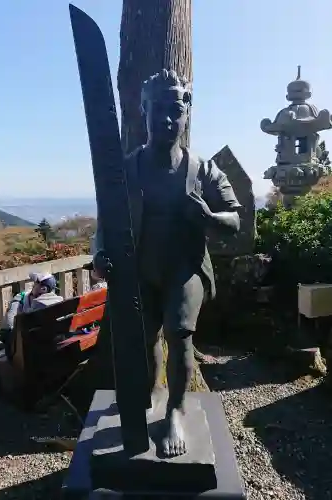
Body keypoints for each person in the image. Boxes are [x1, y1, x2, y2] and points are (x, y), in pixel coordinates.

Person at [92, 69, 241, 457]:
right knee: (143, 337)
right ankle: (149, 393)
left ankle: (175, 408)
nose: (166, 119)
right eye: (157, 110)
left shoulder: (202, 170)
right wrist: (99, 252)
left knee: (178, 333)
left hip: (185, 266)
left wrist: (208, 217)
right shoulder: (127, 167)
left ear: (186, 114)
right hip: (140, 266)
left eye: (174, 110)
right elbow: (107, 216)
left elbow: (234, 218)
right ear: (144, 112)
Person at [0, 271, 63, 355]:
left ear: (43, 289)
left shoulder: (21, 298)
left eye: (36, 283)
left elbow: (8, 325)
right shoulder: (58, 300)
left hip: (31, 348)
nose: (33, 285)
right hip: (54, 343)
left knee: (6, 334)